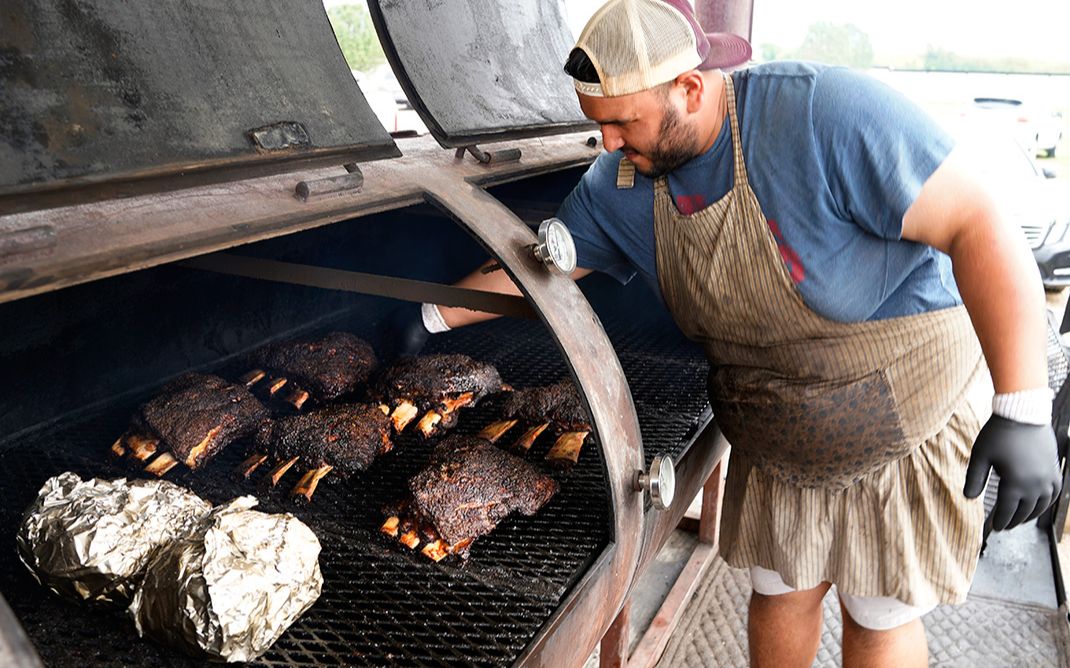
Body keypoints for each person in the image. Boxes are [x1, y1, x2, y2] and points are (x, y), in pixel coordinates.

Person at [390, 0, 1062, 665]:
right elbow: (539, 273)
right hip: (779, 424)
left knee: (877, 609)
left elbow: (979, 224)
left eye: (625, 122)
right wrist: (428, 316)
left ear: (689, 87)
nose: (610, 145)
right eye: (598, 126)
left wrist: (1023, 408)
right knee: (779, 589)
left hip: (904, 409)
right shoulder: (618, 185)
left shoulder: (821, 114)